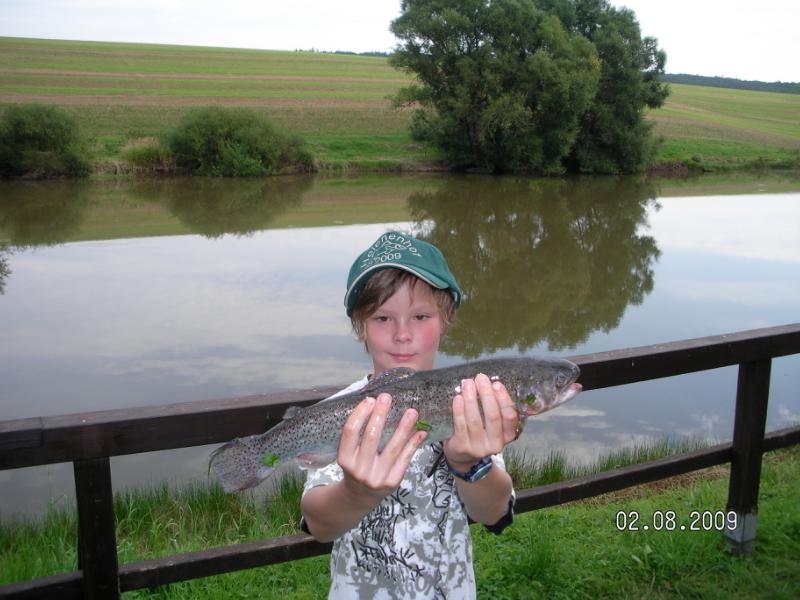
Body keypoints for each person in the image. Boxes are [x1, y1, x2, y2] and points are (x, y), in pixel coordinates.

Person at [300, 230, 520, 599]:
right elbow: (320, 525)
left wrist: (469, 464)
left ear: (446, 319)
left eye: (420, 316)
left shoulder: (469, 401)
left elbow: (494, 512)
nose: (402, 334)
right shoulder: (342, 413)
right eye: (383, 318)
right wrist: (356, 494)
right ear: (361, 327)